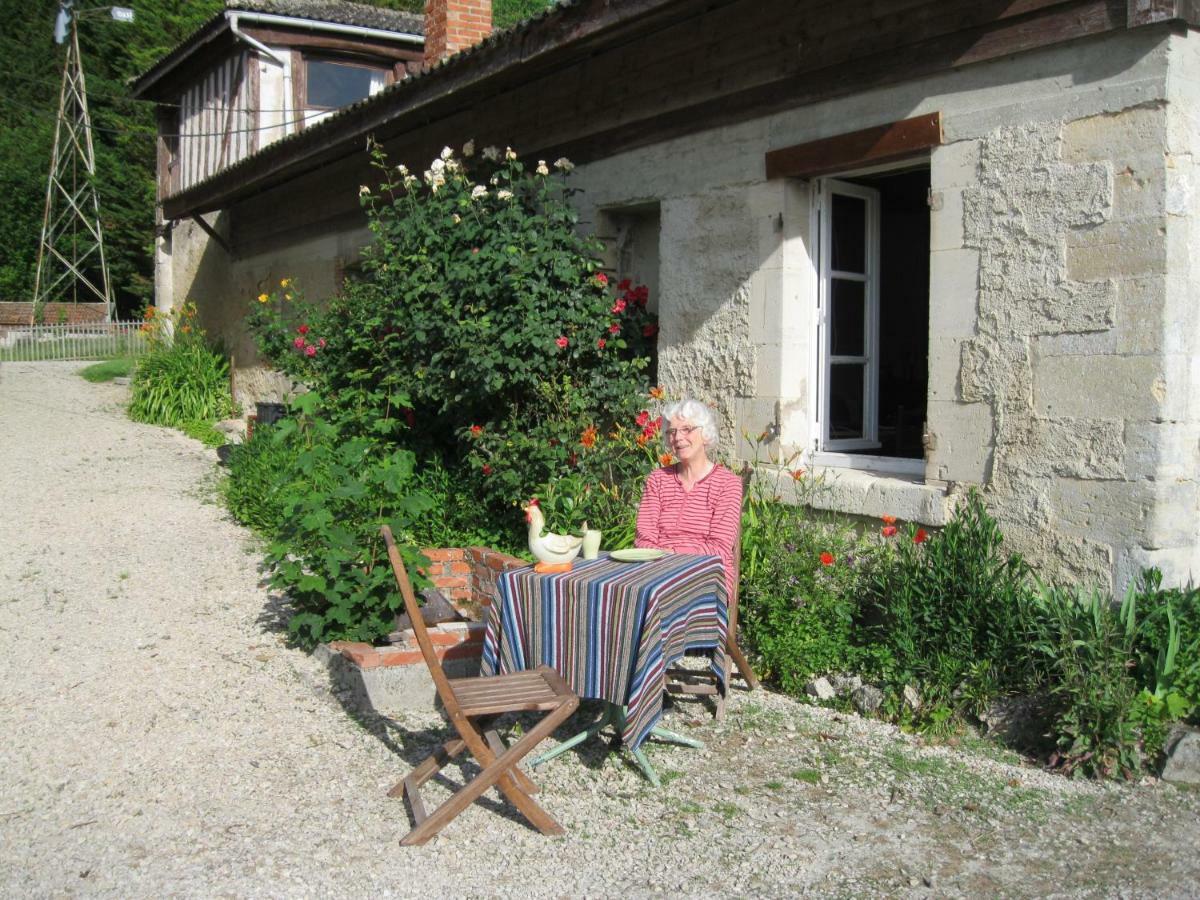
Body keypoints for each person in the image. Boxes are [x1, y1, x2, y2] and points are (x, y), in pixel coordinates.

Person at [635, 397, 743, 598]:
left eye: (687, 429)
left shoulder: (728, 484)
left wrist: (673, 554)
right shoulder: (658, 480)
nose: (678, 437)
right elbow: (644, 540)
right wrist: (665, 561)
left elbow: (718, 548)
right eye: (672, 432)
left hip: (706, 577)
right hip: (658, 574)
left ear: (705, 434)